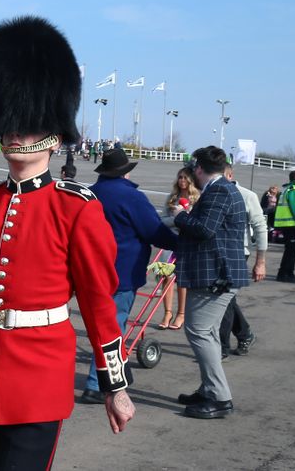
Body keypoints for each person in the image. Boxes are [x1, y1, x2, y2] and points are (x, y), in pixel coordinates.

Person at [0, 17, 134, 469]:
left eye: (29, 124)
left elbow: (100, 301)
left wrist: (114, 385)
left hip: (40, 377)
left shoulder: (76, 207)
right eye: (10, 124)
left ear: (54, 137)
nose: (16, 133)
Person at [80, 148, 177, 404]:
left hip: (89, 272)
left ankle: (117, 371)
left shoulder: (89, 194)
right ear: (125, 171)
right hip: (121, 271)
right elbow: (153, 231)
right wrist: (180, 244)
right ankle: (97, 384)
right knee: (113, 327)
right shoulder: (132, 197)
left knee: (101, 325)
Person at [171, 146, 249, 419]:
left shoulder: (218, 191)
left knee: (199, 332)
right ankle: (209, 389)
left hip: (214, 274)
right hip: (220, 272)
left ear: (200, 169)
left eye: (194, 170)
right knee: (210, 334)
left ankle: (219, 397)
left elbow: (205, 230)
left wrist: (180, 217)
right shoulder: (225, 189)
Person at [220, 164, 267, 358]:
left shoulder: (247, 196)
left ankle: (221, 348)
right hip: (215, 253)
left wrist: (260, 261)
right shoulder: (208, 193)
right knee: (226, 299)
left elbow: (260, 228)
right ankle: (244, 333)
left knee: (225, 299)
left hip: (238, 252)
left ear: (230, 175)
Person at [159, 167, 201, 330]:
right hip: (170, 240)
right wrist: (176, 219)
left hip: (187, 242)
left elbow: (198, 222)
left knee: (182, 279)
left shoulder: (197, 198)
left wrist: (185, 217)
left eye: (185, 177)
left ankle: (181, 314)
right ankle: (167, 312)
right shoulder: (172, 197)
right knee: (166, 276)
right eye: (180, 177)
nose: (182, 180)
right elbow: (162, 219)